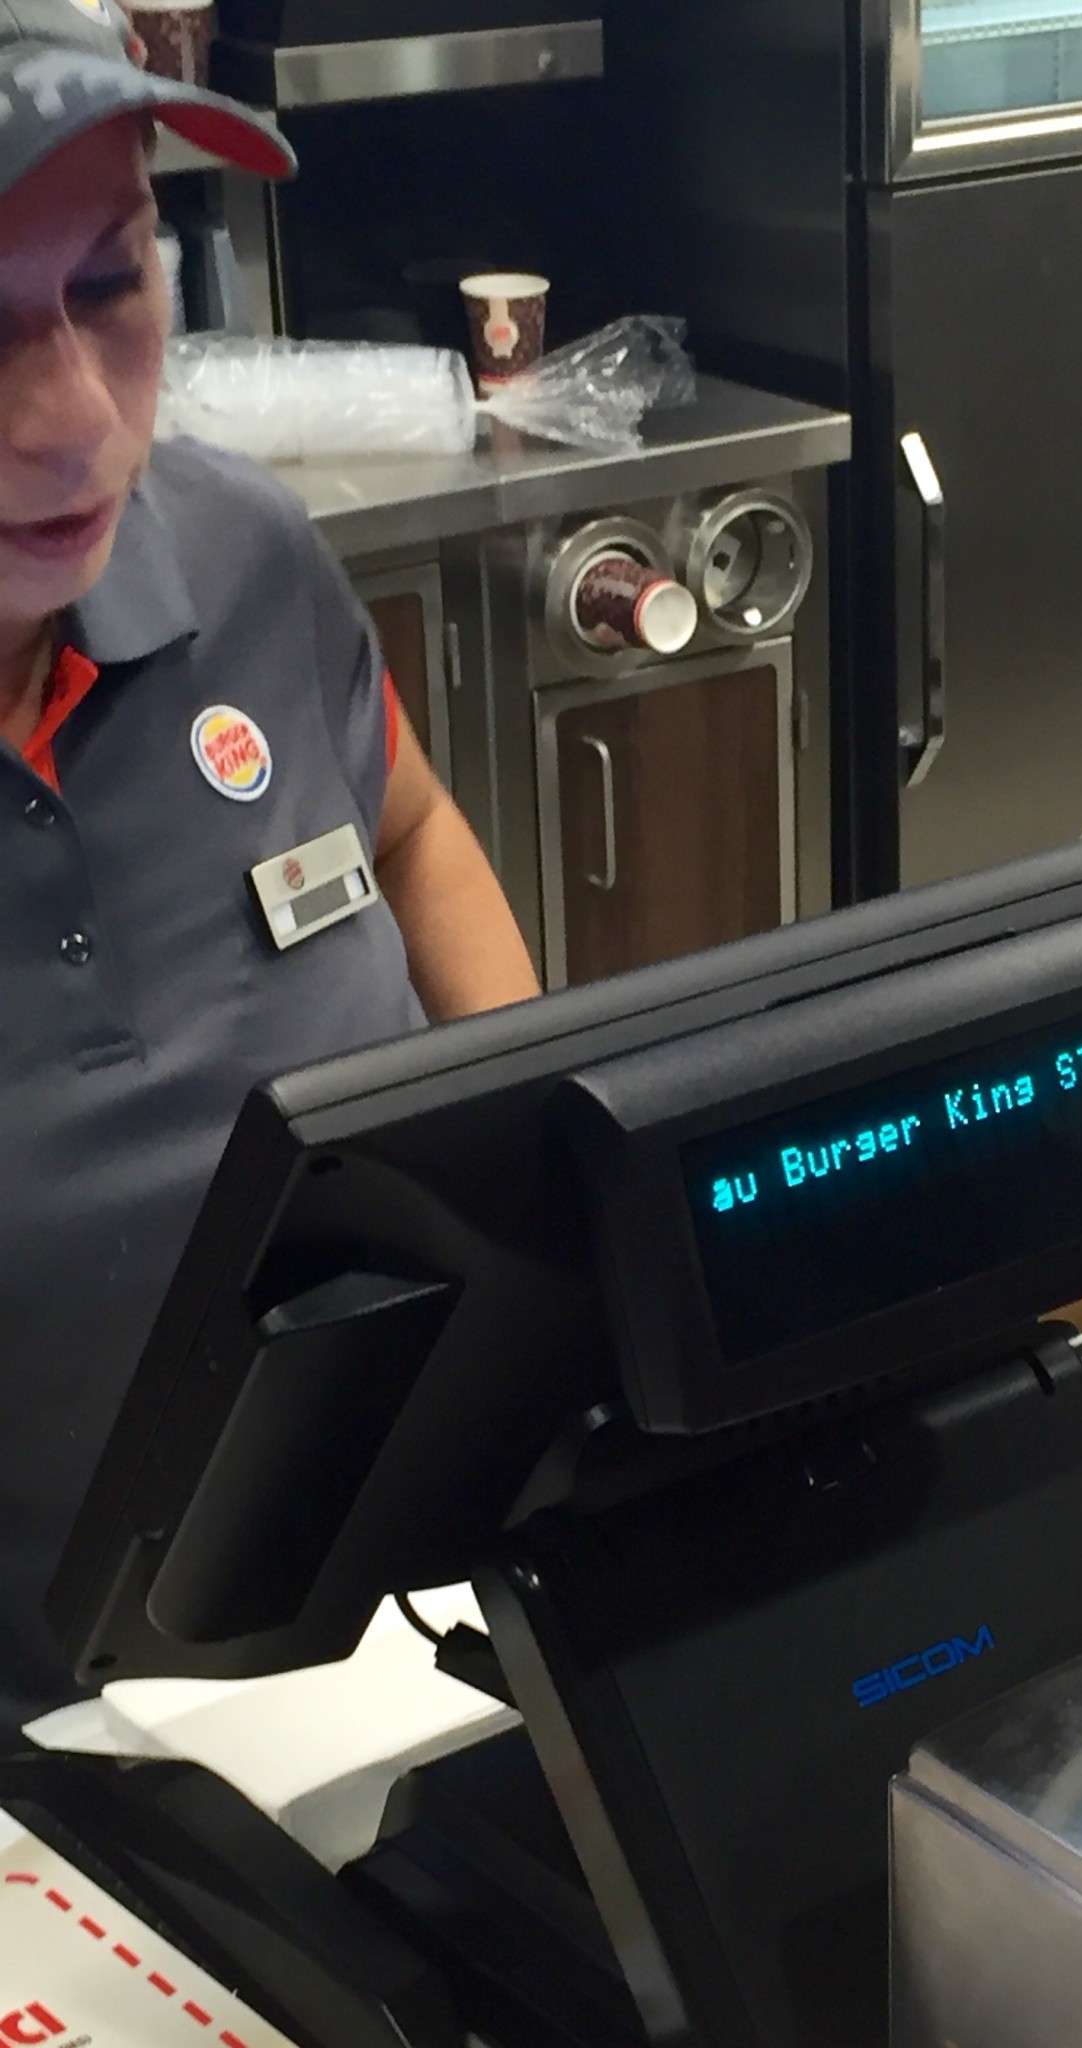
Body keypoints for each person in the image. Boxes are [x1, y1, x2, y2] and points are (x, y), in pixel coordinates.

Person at [0, 0, 541, 1725]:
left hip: (406, 1602)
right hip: (49, 1739)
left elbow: (412, 829)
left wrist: (545, 1164)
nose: (73, 418)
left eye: (110, 283)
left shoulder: (238, 550)